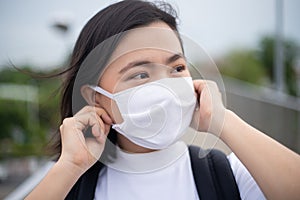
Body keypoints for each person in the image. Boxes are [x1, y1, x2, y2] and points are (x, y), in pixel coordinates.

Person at [26, 0, 300, 199]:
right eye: (141, 74)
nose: (165, 87)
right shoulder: (67, 184)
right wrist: (70, 167)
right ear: (96, 97)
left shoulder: (228, 176)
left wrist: (223, 121)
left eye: (177, 68)